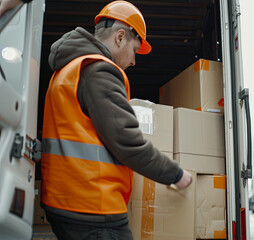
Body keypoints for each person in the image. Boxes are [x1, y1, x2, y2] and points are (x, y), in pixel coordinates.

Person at [40, 1, 193, 240]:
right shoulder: (98, 70)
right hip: (92, 208)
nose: (133, 61)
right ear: (120, 37)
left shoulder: (69, 68)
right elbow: (127, 142)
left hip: (64, 200)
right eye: (134, 49)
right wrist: (176, 174)